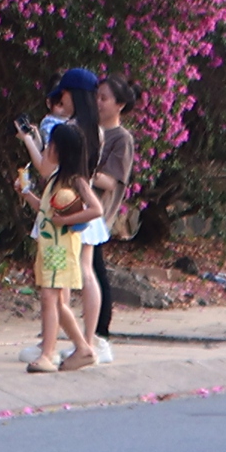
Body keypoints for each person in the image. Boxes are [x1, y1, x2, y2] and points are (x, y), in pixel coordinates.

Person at [18, 122, 98, 373]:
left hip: (60, 248)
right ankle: (82, 348)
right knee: (55, 302)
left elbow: (96, 210)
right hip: (49, 246)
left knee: (50, 299)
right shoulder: (56, 178)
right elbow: (44, 211)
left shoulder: (76, 181)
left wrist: (66, 220)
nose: (48, 148)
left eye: (51, 144)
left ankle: (48, 353)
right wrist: (26, 195)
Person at [88, 76, 139, 361]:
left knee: (95, 272)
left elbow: (111, 182)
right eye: (96, 95)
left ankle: (101, 335)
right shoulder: (88, 130)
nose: (98, 102)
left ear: (120, 104)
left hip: (97, 213)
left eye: (104, 97)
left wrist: (82, 169)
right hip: (78, 209)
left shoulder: (122, 139)